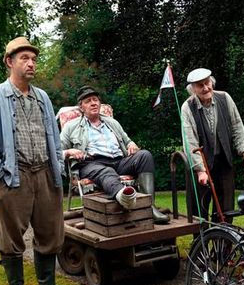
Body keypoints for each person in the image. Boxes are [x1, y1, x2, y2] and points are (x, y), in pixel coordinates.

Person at [0, 36, 74, 285]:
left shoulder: (42, 96)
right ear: (10, 62)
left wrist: (56, 164)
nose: (31, 64)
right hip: (13, 175)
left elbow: (54, 137)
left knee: (50, 231)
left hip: (45, 173)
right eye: (24, 59)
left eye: (33, 59)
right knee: (11, 237)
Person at [61, 86, 169, 224]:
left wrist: (131, 144)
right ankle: (125, 198)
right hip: (92, 163)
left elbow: (128, 140)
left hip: (119, 161)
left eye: (95, 99)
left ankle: (149, 207)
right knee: (106, 171)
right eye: (88, 101)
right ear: (81, 107)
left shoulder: (112, 123)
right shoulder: (72, 126)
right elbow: (58, 150)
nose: (93, 103)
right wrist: (70, 151)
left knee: (144, 155)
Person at [181, 68, 244, 222]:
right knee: (200, 211)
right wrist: (200, 170)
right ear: (192, 89)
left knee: (226, 211)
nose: (206, 88)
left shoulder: (225, 98)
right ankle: (201, 244)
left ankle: (223, 245)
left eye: (207, 83)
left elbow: (237, 126)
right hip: (201, 164)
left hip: (223, 162)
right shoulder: (187, 107)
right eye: (200, 85)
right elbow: (189, 140)